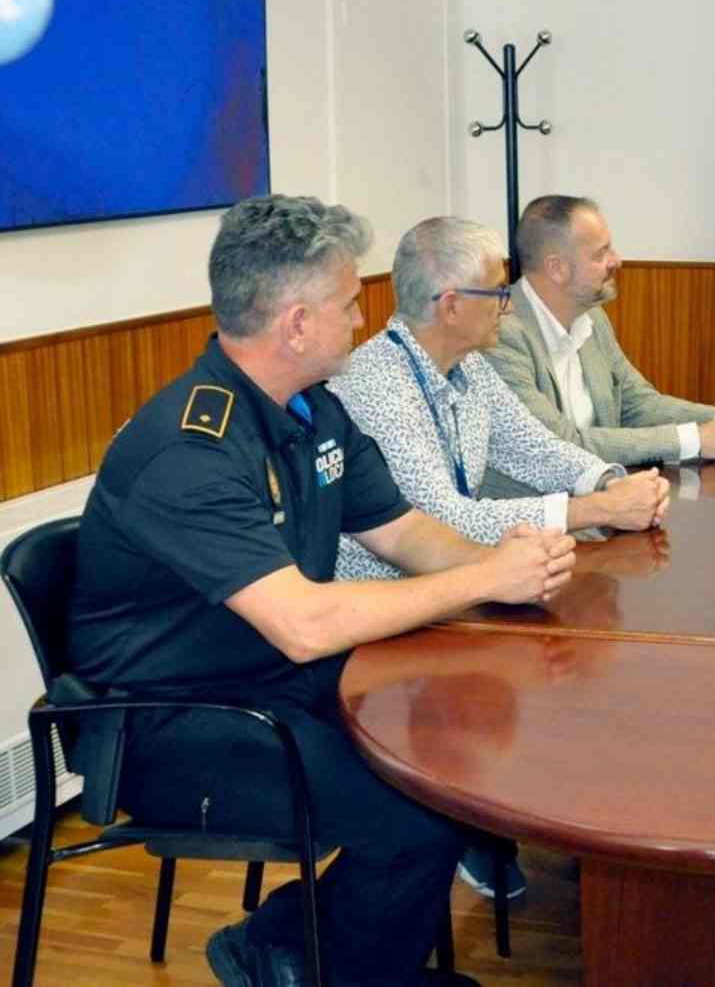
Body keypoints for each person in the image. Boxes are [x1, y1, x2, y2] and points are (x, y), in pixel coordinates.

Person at [66, 195, 579, 987]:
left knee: (445, 775)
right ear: (297, 324)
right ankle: (324, 961)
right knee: (412, 816)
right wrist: (482, 577)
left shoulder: (311, 410)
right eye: (349, 303)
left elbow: (402, 530)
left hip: (264, 678)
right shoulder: (189, 451)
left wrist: (501, 564)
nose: (363, 316)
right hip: (171, 725)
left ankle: (290, 948)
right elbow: (304, 622)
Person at [331, 215, 670, 585]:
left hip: (458, 585)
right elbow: (445, 521)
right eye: (497, 293)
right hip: (386, 607)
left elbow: (532, 447)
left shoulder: (469, 364)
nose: (507, 308)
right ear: (451, 307)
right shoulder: (377, 385)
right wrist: (594, 510)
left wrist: (606, 482)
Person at [482, 194, 715, 481]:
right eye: (600, 254)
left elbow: (635, 402)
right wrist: (694, 439)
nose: (616, 261)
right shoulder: (499, 334)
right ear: (557, 268)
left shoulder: (592, 317)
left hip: (606, 496)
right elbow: (558, 444)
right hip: (536, 515)